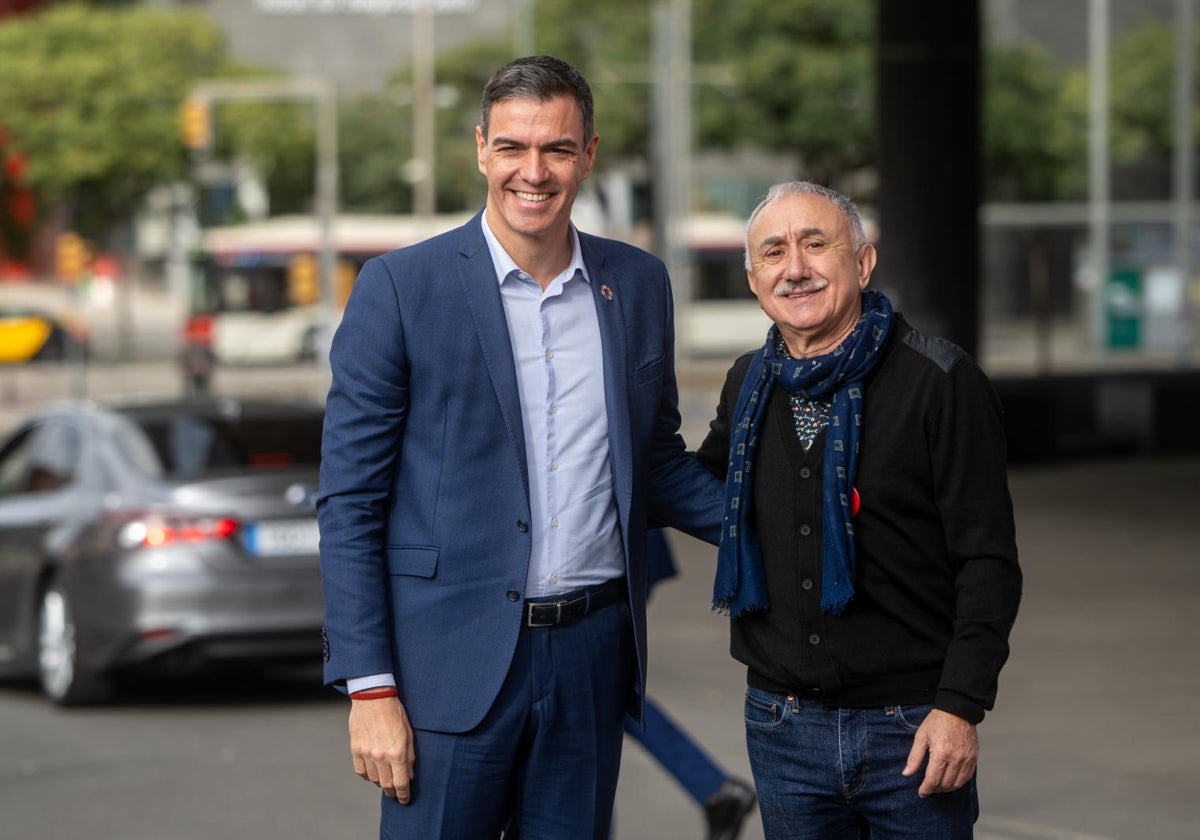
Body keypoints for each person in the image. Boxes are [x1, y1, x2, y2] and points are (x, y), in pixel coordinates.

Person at [317, 55, 724, 840]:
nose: (532, 172)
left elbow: (658, 462)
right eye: (512, 147)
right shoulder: (400, 289)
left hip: (590, 660)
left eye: (557, 149)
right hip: (446, 670)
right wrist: (370, 689)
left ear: (589, 154)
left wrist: (782, 518)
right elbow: (351, 502)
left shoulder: (637, 284)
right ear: (480, 149)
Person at [694, 181, 1022, 839]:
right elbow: (700, 485)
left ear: (863, 262)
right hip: (782, 725)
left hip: (913, 728)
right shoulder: (746, 383)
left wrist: (960, 707)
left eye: (816, 245)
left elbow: (987, 560)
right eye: (775, 253)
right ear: (756, 280)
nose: (796, 268)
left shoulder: (940, 382)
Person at [621, 529, 757, 840]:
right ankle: (716, 789)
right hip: (614, 552)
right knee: (604, 699)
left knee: (601, 696)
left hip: (613, 555)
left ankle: (716, 789)